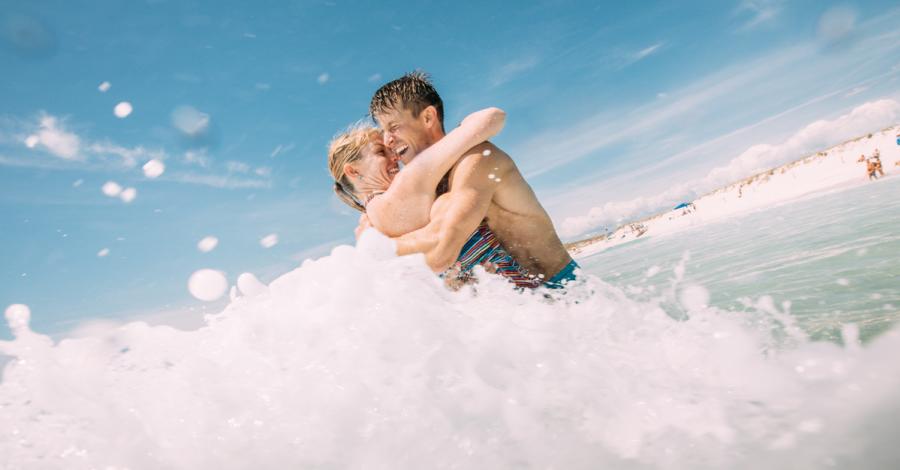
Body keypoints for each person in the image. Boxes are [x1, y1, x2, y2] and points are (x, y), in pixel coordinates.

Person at [367, 72, 578, 289]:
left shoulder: (477, 160)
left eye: (393, 127)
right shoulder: (430, 187)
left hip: (563, 294)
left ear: (428, 118)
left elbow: (442, 251)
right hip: (521, 311)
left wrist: (371, 250)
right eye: (383, 131)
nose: (387, 140)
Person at [327, 108, 544, 289]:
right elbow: (487, 121)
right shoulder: (405, 188)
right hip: (521, 302)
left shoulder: (371, 227)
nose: (395, 157)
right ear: (353, 172)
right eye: (381, 153)